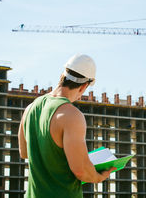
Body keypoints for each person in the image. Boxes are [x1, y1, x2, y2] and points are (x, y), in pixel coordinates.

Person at [18, 54, 115, 197]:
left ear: (61, 75)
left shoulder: (30, 108)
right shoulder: (72, 116)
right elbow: (81, 171)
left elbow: (24, 153)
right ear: (83, 87)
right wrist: (98, 177)